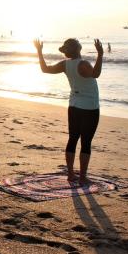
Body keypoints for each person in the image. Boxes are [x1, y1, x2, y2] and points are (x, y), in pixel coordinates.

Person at [33, 38, 103, 185]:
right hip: (89, 107)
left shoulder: (65, 65)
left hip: (74, 106)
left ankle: (71, 174)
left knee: (72, 139)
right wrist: (100, 54)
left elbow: (44, 69)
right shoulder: (83, 64)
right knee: (86, 143)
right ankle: (83, 177)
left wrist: (39, 51)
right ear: (78, 49)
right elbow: (95, 74)